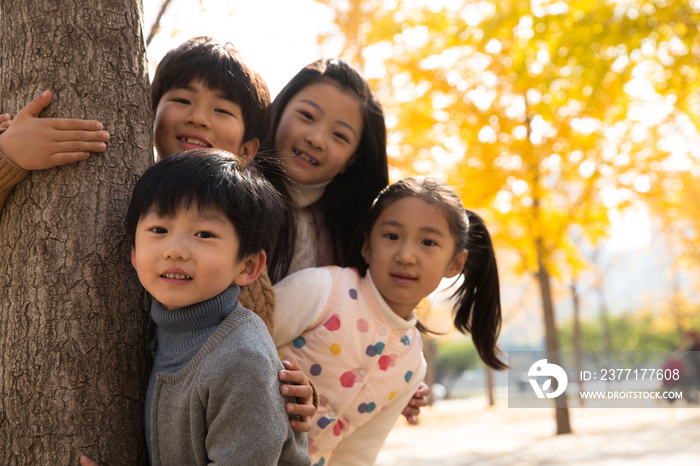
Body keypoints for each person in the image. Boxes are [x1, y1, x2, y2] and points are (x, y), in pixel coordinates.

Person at [2, 37, 316, 433]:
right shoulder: (110, 181)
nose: (199, 117)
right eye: (182, 100)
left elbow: (251, 359)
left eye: (221, 109)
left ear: (248, 149)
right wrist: (9, 156)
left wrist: (293, 393)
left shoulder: (238, 245)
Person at [271, 176, 507, 465]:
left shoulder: (412, 365)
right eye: (392, 236)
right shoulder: (322, 291)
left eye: (428, 242)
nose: (406, 256)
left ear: (455, 264)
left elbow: (358, 453)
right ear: (367, 245)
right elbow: (238, 343)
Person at [255, 58, 430, 422]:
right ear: (279, 109)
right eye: (306, 115)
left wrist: (392, 380)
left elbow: (360, 325)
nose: (316, 138)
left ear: (353, 159)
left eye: (340, 135)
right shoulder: (230, 192)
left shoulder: (351, 235)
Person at [123, 150, 310, 465]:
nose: (175, 250)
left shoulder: (240, 357)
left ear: (248, 265)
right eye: (159, 230)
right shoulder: (165, 328)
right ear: (133, 251)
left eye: (204, 234)